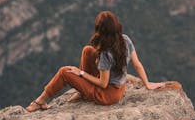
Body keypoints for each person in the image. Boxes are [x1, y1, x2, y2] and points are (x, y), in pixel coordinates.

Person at [26, 10, 166, 112]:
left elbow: (103, 84)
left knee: (64, 72)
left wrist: (80, 73)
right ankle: (83, 92)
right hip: (119, 87)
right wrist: (147, 84)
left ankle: (40, 102)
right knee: (87, 50)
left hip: (107, 95)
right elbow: (137, 64)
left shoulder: (106, 52)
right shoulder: (125, 39)